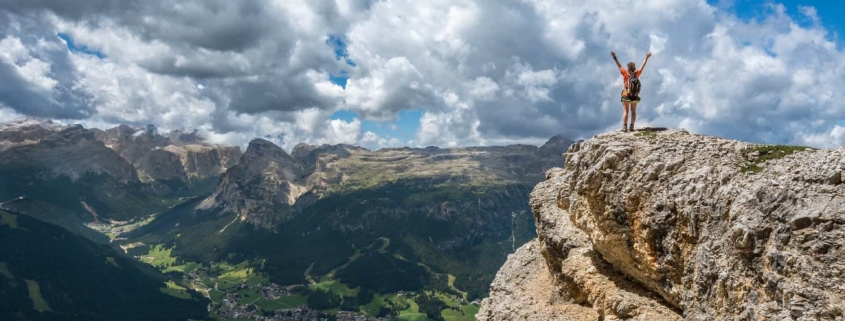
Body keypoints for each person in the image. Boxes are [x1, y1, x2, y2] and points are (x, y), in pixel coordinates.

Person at [611, 51, 651, 132]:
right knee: (633, 111)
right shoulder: (636, 74)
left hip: (626, 94)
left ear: (628, 68)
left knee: (626, 111)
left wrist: (614, 57)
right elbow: (642, 66)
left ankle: (625, 127)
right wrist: (646, 58)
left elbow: (619, 65)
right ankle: (632, 126)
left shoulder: (625, 73)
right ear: (634, 68)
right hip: (634, 95)